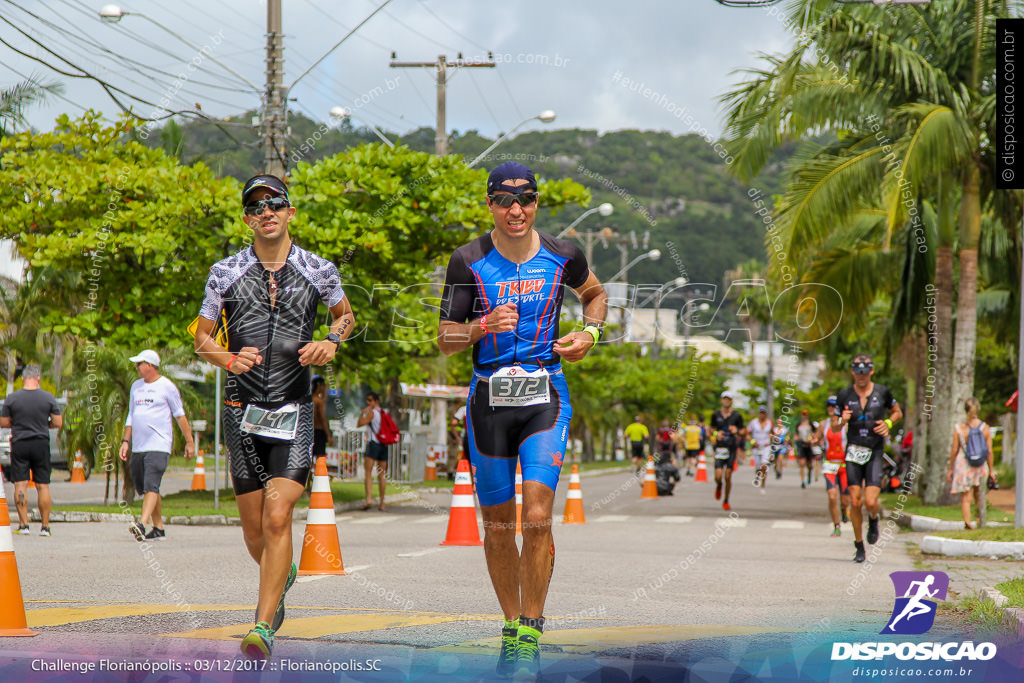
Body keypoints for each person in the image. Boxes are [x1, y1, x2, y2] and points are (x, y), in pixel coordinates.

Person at [437, 161, 607, 677]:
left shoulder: (563, 254)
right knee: (496, 527)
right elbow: (444, 338)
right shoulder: (468, 261)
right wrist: (480, 326)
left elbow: (595, 295)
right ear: (489, 203)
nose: (517, 210)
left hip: (544, 393)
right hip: (488, 398)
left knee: (536, 514)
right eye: (506, 201)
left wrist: (590, 334)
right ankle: (511, 622)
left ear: (536, 203)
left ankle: (531, 628)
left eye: (527, 200)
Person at [193, 174, 355, 659]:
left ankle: (261, 625)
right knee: (253, 529)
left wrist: (331, 341)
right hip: (241, 412)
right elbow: (201, 338)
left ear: (290, 212)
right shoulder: (224, 272)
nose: (267, 212)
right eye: (257, 206)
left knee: (279, 514)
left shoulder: (318, 269)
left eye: (276, 203)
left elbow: (345, 316)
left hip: (294, 410)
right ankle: (278, 578)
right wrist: (226, 358)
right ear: (247, 218)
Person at [119, 350, 195, 542]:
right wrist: (125, 442)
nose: (136, 367)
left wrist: (189, 441)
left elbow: (180, 415)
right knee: (146, 487)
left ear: (150, 365)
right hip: (139, 446)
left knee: (151, 484)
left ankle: (142, 524)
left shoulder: (166, 387)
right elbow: (131, 416)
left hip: (159, 444)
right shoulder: (136, 387)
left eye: (139, 364)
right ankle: (158, 528)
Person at [836, 353, 902, 563]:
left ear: (871, 371)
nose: (861, 374)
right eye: (857, 370)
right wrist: (842, 421)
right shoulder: (844, 395)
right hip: (853, 452)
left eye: (865, 370)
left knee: (870, 501)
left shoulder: (882, 392)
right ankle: (859, 546)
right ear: (852, 371)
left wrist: (889, 423)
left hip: (874, 451)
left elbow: (897, 412)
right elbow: (835, 425)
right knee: (855, 502)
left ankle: (873, 519)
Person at [1, 364, 62, 536]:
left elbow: (4, 422)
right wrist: (44, 424)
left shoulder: (12, 398)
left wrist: (18, 424)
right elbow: (58, 422)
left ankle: (24, 525)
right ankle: (45, 526)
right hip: (41, 443)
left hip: (20, 442)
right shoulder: (48, 398)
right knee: (43, 485)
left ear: (22, 379)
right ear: (38, 378)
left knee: (21, 484)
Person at [947, 397, 995, 530]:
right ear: (978, 409)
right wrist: (991, 470)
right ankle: (980, 520)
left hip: (964, 464)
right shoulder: (985, 428)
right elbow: (990, 451)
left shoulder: (959, 428)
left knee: (966, 496)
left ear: (965, 410)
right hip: (980, 464)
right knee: (979, 495)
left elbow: (954, 450)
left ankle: (968, 522)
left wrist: (950, 469)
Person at [819, 396, 850, 536]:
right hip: (829, 464)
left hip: (844, 465)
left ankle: (844, 510)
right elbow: (816, 438)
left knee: (844, 500)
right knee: (832, 497)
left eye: (834, 406)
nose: (831, 408)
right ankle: (836, 526)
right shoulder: (823, 424)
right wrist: (812, 441)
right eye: (829, 406)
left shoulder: (846, 424)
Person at [710, 391, 745, 511]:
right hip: (720, 447)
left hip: (731, 448)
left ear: (731, 401)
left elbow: (743, 431)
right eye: (724, 399)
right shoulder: (716, 415)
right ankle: (719, 485)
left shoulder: (736, 416)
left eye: (728, 399)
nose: (726, 401)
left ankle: (726, 500)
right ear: (721, 400)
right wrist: (716, 434)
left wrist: (737, 431)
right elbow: (710, 430)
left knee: (727, 475)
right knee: (718, 476)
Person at [357, 392, 388, 511]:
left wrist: (363, 413)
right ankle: (382, 503)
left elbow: (360, 424)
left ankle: (369, 499)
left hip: (373, 444)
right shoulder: (384, 412)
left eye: (370, 400)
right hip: (384, 444)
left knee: (368, 473)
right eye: (367, 400)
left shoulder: (372, 413)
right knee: (382, 475)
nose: (368, 403)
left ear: (376, 401)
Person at [747, 406, 773, 495]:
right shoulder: (753, 423)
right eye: (761, 412)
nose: (762, 414)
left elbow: (773, 433)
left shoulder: (769, 423)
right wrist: (752, 442)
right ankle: (757, 476)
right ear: (758, 413)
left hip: (766, 447)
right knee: (758, 467)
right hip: (756, 447)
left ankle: (763, 486)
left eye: (764, 412)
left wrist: (771, 439)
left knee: (764, 467)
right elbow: (747, 434)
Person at [311, 376, 333, 460]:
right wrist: (329, 435)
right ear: (320, 386)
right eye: (324, 386)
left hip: (309, 431)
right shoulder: (319, 401)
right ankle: (319, 473)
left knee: (309, 458)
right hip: (318, 431)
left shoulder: (310, 399)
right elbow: (323, 419)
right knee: (320, 458)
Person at [794, 410, 817, 489]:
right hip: (801, 445)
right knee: (802, 464)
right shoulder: (798, 425)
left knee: (809, 465)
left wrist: (809, 439)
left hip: (809, 446)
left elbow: (815, 434)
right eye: (803, 414)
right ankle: (802, 481)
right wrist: (796, 438)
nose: (804, 416)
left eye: (805, 414)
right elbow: (796, 434)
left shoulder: (811, 424)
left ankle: (809, 475)